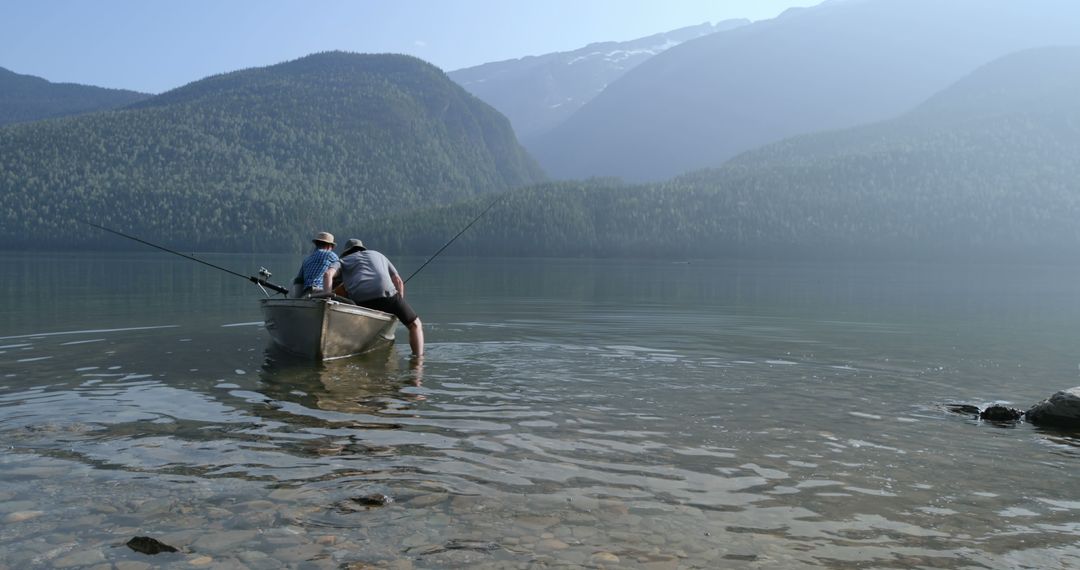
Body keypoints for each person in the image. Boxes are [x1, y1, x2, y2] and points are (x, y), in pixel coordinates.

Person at [337, 238, 424, 357]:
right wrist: (399, 302)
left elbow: (334, 282)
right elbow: (398, 281)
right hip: (387, 298)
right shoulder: (378, 255)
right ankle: (418, 361)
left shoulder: (344, 261)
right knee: (415, 325)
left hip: (360, 302)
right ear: (362, 249)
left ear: (346, 252)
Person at [293, 231, 340, 297]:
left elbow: (298, 281)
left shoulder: (307, 259)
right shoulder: (331, 255)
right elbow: (333, 273)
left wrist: (297, 298)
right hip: (320, 293)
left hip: (306, 294)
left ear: (316, 244)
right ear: (329, 246)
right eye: (332, 247)